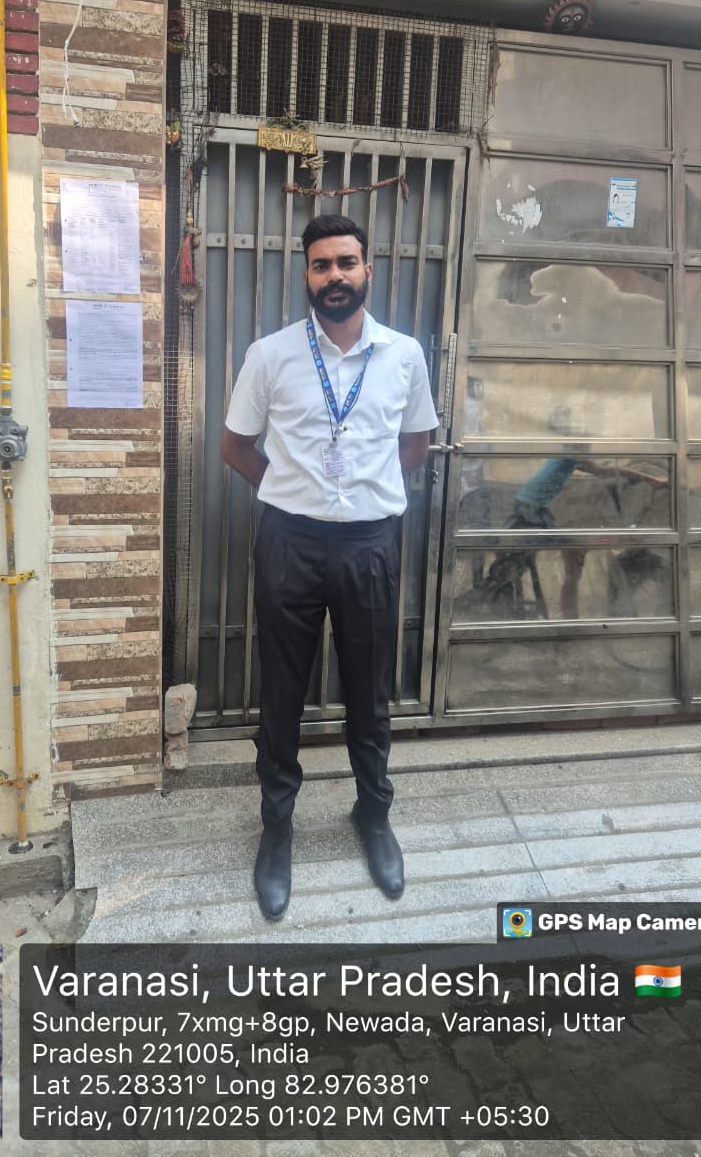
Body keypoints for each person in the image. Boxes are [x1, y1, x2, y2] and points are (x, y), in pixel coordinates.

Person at [221, 213, 438, 920]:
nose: (334, 276)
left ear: (368, 270)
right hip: (289, 542)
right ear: (306, 275)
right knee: (282, 690)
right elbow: (235, 447)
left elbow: (415, 444)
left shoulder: (403, 355)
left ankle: (373, 815)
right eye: (321, 265)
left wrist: (364, 493)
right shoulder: (270, 355)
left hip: (370, 544)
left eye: (346, 262)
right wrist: (292, 491)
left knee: (370, 692)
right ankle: (277, 827)